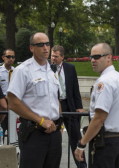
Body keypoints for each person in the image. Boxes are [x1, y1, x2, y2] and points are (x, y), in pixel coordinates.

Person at [7, 32, 62, 168]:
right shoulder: (23, 70)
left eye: (47, 44)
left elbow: (55, 99)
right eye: (40, 44)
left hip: (54, 133)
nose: (45, 47)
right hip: (34, 133)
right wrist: (41, 121)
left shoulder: (51, 70)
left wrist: (59, 122)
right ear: (31, 48)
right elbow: (12, 102)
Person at [74, 43, 119, 168]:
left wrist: (82, 144)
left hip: (106, 143)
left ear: (109, 57)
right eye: (91, 57)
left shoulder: (104, 82)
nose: (93, 60)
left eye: (97, 57)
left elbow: (99, 118)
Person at [51, 45, 87, 168]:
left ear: (62, 57)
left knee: (76, 137)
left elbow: (75, 89)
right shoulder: (47, 68)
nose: (53, 58)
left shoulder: (70, 68)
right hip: (54, 105)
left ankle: (82, 165)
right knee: (53, 137)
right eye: (52, 56)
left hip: (69, 105)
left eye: (56, 56)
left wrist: (79, 106)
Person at [0, 49, 15, 135]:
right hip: (1, 104)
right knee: (2, 130)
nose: (11, 59)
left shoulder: (16, 71)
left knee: (12, 133)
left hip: (13, 104)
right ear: (3, 57)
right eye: (8, 56)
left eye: (13, 57)